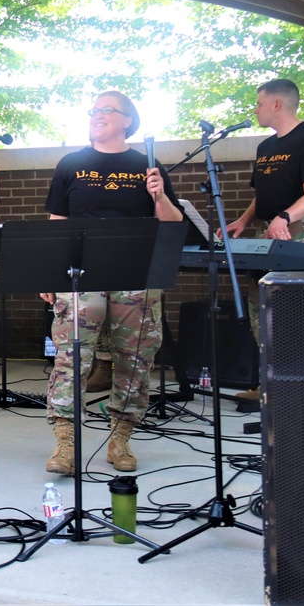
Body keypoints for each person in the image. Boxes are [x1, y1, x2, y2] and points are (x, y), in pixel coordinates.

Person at [40, 91, 183, 474]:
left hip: (135, 276)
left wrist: (160, 195)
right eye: (94, 110)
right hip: (81, 274)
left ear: (127, 120)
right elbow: (59, 223)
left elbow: (171, 224)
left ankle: (120, 440)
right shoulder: (71, 164)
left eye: (107, 110)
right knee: (71, 357)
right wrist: (52, 271)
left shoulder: (147, 166)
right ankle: (66, 444)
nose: (97, 115)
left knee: (134, 359)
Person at [226, 78, 304, 401]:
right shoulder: (265, 147)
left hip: (299, 236)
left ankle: (300, 388)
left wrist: (286, 217)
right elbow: (260, 195)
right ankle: (271, 387)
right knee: (260, 308)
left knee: (296, 310)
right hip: (267, 236)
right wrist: (244, 220)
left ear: (277, 104)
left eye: (260, 103)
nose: (256, 109)